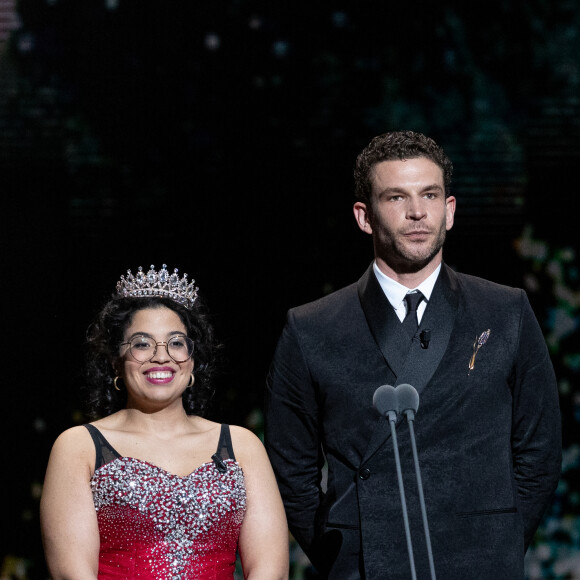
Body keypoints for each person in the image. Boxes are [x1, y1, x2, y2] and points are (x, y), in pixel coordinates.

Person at [264, 131, 561, 579]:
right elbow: (290, 470)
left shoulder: (505, 311)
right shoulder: (311, 328)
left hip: (482, 561)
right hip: (366, 564)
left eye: (430, 195)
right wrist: (343, 552)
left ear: (451, 209)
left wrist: (498, 537)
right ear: (364, 217)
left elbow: (539, 451)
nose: (417, 212)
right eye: (396, 197)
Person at [41, 263, 289, 579]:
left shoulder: (241, 446)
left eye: (176, 343)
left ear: (192, 360)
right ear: (117, 360)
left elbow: (271, 570)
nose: (161, 356)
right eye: (142, 343)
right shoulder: (79, 446)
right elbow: (72, 574)